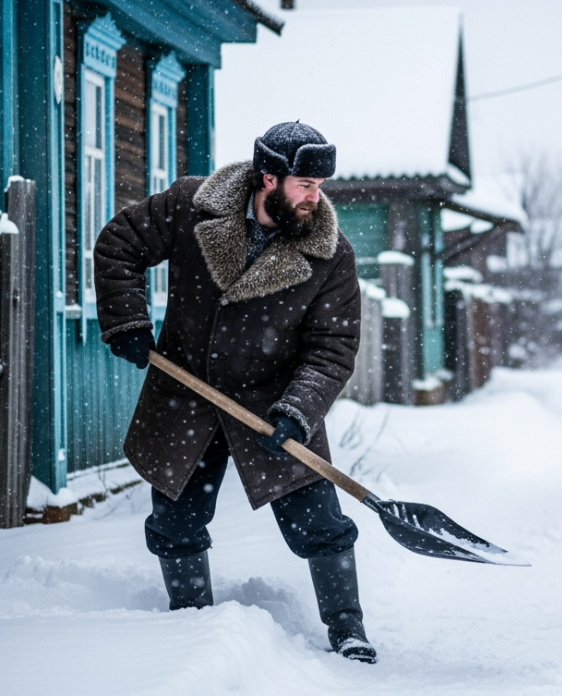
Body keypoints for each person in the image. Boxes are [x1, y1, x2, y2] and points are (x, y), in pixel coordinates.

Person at [94, 122, 376, 662]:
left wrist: (297, 412)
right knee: (176, 522)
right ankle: (190, 623)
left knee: (321, 523)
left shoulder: (330, 255)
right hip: (184, 393)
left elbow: (333, 347)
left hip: (273, 407)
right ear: (267, 177)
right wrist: (126, 320)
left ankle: (348, 629)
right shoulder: (190, 205)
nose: (315, 197)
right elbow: (119, 244)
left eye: (319, 185)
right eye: (305, 184)